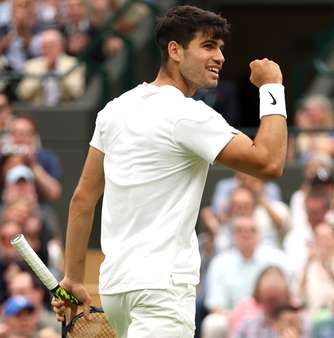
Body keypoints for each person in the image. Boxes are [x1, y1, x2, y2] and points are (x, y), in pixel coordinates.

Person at [52, 5, 289, 337]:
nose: (220, 56)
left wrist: (73, 278)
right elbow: (269, 162)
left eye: (221, 47)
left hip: (118, 289)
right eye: (208, 46)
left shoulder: (114, 110)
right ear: (175, 50)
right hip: (161, 290)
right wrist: (272, 88)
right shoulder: (188, 115)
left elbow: (82, 200)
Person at [202, 216, 291, 338]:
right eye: (241, 230)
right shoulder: (219, 263)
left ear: (259, 233)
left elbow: (290, 295)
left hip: (271, 316)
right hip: (232, 317)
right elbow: (215, 306)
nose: (246, 234)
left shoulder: (278, 259)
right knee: (213, 323)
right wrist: (237, 317)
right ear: (233, 234)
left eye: (251, 230)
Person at [17, 28, 87, 105]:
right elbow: (24, 94)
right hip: (39, 110)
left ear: (61, 46)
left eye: (50, 46)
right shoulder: (33, 65)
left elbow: (76, 93)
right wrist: (43, 71)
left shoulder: (74, 64)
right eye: (44, 46)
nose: (46, 50)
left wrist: (58, 69)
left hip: (66, 110)